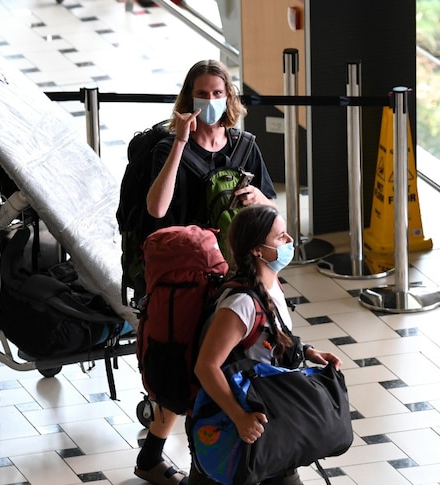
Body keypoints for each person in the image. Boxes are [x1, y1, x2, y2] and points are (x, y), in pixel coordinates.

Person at [135, 59, 277, 485]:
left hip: (232, 274)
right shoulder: (170, 146)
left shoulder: (243, 145)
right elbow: (156, 208)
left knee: (222, 366)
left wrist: (257, 200)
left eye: (218, 93)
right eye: (203, 93)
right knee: (190, 367)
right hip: (187, 275)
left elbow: (272, 213)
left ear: (229, 97)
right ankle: (183, 463)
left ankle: (171, 461)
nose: (211, 101)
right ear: (188, 97)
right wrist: (179, 142)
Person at [190, 205, 343, 485]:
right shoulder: (241, 304)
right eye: (281, 237)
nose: (289, 242)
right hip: (234, 422)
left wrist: (307, 351)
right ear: (258, 250)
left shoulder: (272, 284)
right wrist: (239, 417)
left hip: (269, 413)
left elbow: (270, 338)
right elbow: (206, 366)